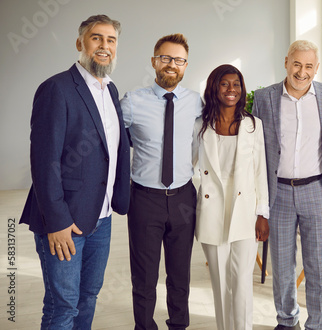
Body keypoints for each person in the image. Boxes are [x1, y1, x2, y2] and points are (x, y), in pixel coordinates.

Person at [19, 14, 130, 329]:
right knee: (62, 307)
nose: (104, 46)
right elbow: (44, 160)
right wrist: (57, 221)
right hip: (64, 221)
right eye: (97, 38)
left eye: (111, 40)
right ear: (80, 43)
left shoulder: (109, 90)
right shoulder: (56, 88)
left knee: (88, 297)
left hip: (102, 218)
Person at [253, 40, 322, 330]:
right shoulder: (265, 97)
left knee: (317, 266)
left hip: (317, 190)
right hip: (277, 191)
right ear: (286, 62)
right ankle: (287, 320)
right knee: (281, 266)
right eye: (296, 64)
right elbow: (256, 149)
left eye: (308, 66)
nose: (301, 72)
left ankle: (317, 325)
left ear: (316, 68)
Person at [121, 33, 203, 330]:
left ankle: (178, 326)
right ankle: (144, 326)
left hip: (183, 197)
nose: (172, 65)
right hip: (145, 200)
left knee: (180, 275)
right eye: (166, 58)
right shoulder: (132, 102)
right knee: (143, 276)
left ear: (185, 65)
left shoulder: (196, 102)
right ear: (154, 61)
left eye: (178, 60)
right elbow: (112, 139)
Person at [192, 64, 269, 330]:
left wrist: (263, 213)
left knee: (242, 281)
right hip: (212, 210)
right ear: (214, 87)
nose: (231, 89)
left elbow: (261, 172)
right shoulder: (201, 126)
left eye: (236, 84)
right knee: (220, 281)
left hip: (245, 211)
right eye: (224, 84)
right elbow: (189, 165)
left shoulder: (253, 125)